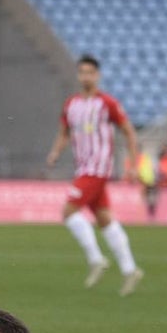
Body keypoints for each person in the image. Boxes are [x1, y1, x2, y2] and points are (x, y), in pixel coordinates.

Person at [46, 55, 144, 295]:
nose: (86, 76)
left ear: (97, 76)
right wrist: (55, 152)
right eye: (82, 72)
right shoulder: (71, 104)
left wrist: (132, 163)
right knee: (104, 220)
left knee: (68, 211)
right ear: (78, 75)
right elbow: (63, 132)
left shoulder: (107, 103)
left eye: (90, 72)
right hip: (83, 167)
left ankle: (96, 259)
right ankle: (130, 269)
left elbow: (128, 131)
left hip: (98, 168)